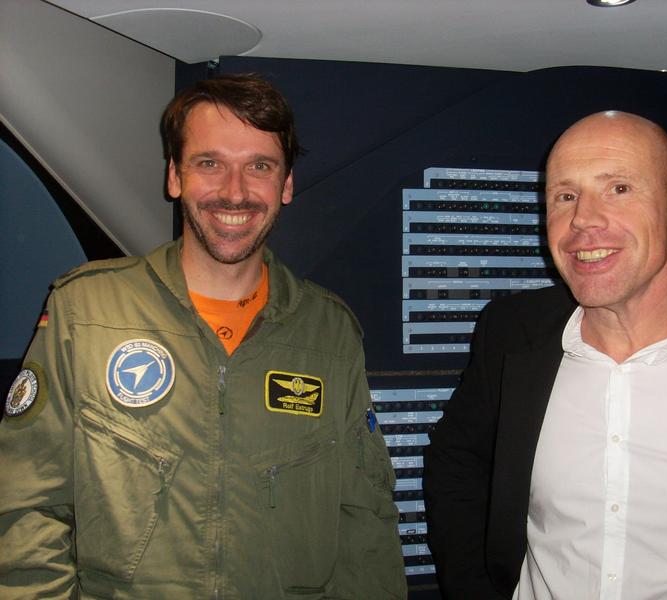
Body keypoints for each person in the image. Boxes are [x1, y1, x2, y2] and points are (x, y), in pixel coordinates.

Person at [0, 74, 407, 599]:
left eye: (259, 166)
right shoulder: (86, 312)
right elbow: (23, 505)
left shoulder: (330, 333)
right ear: (175, 176)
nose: (234, 191)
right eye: (209, 163)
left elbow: (363, 519)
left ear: (286, 184)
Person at [423, 110, 667, 599]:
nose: (582, 219)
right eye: (564, 196)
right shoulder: (513, 331)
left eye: (619, 188)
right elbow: (458, 464)